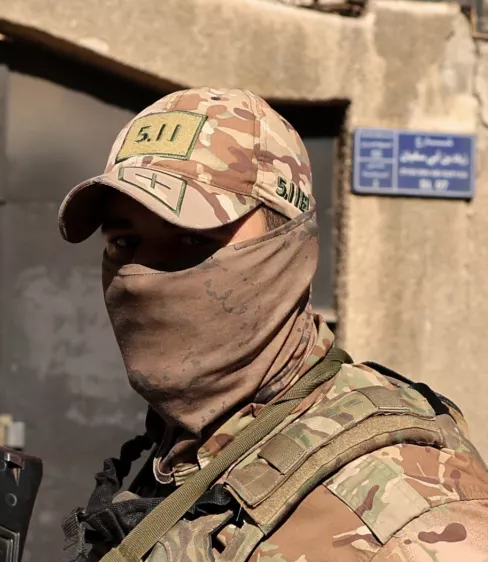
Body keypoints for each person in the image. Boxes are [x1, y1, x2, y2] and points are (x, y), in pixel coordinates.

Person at [56, 87, 488, 562]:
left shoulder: (410, 513)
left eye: (190, 240)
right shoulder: (177, 452)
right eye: (124, 241)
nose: (141, 278)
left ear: (290, 244)